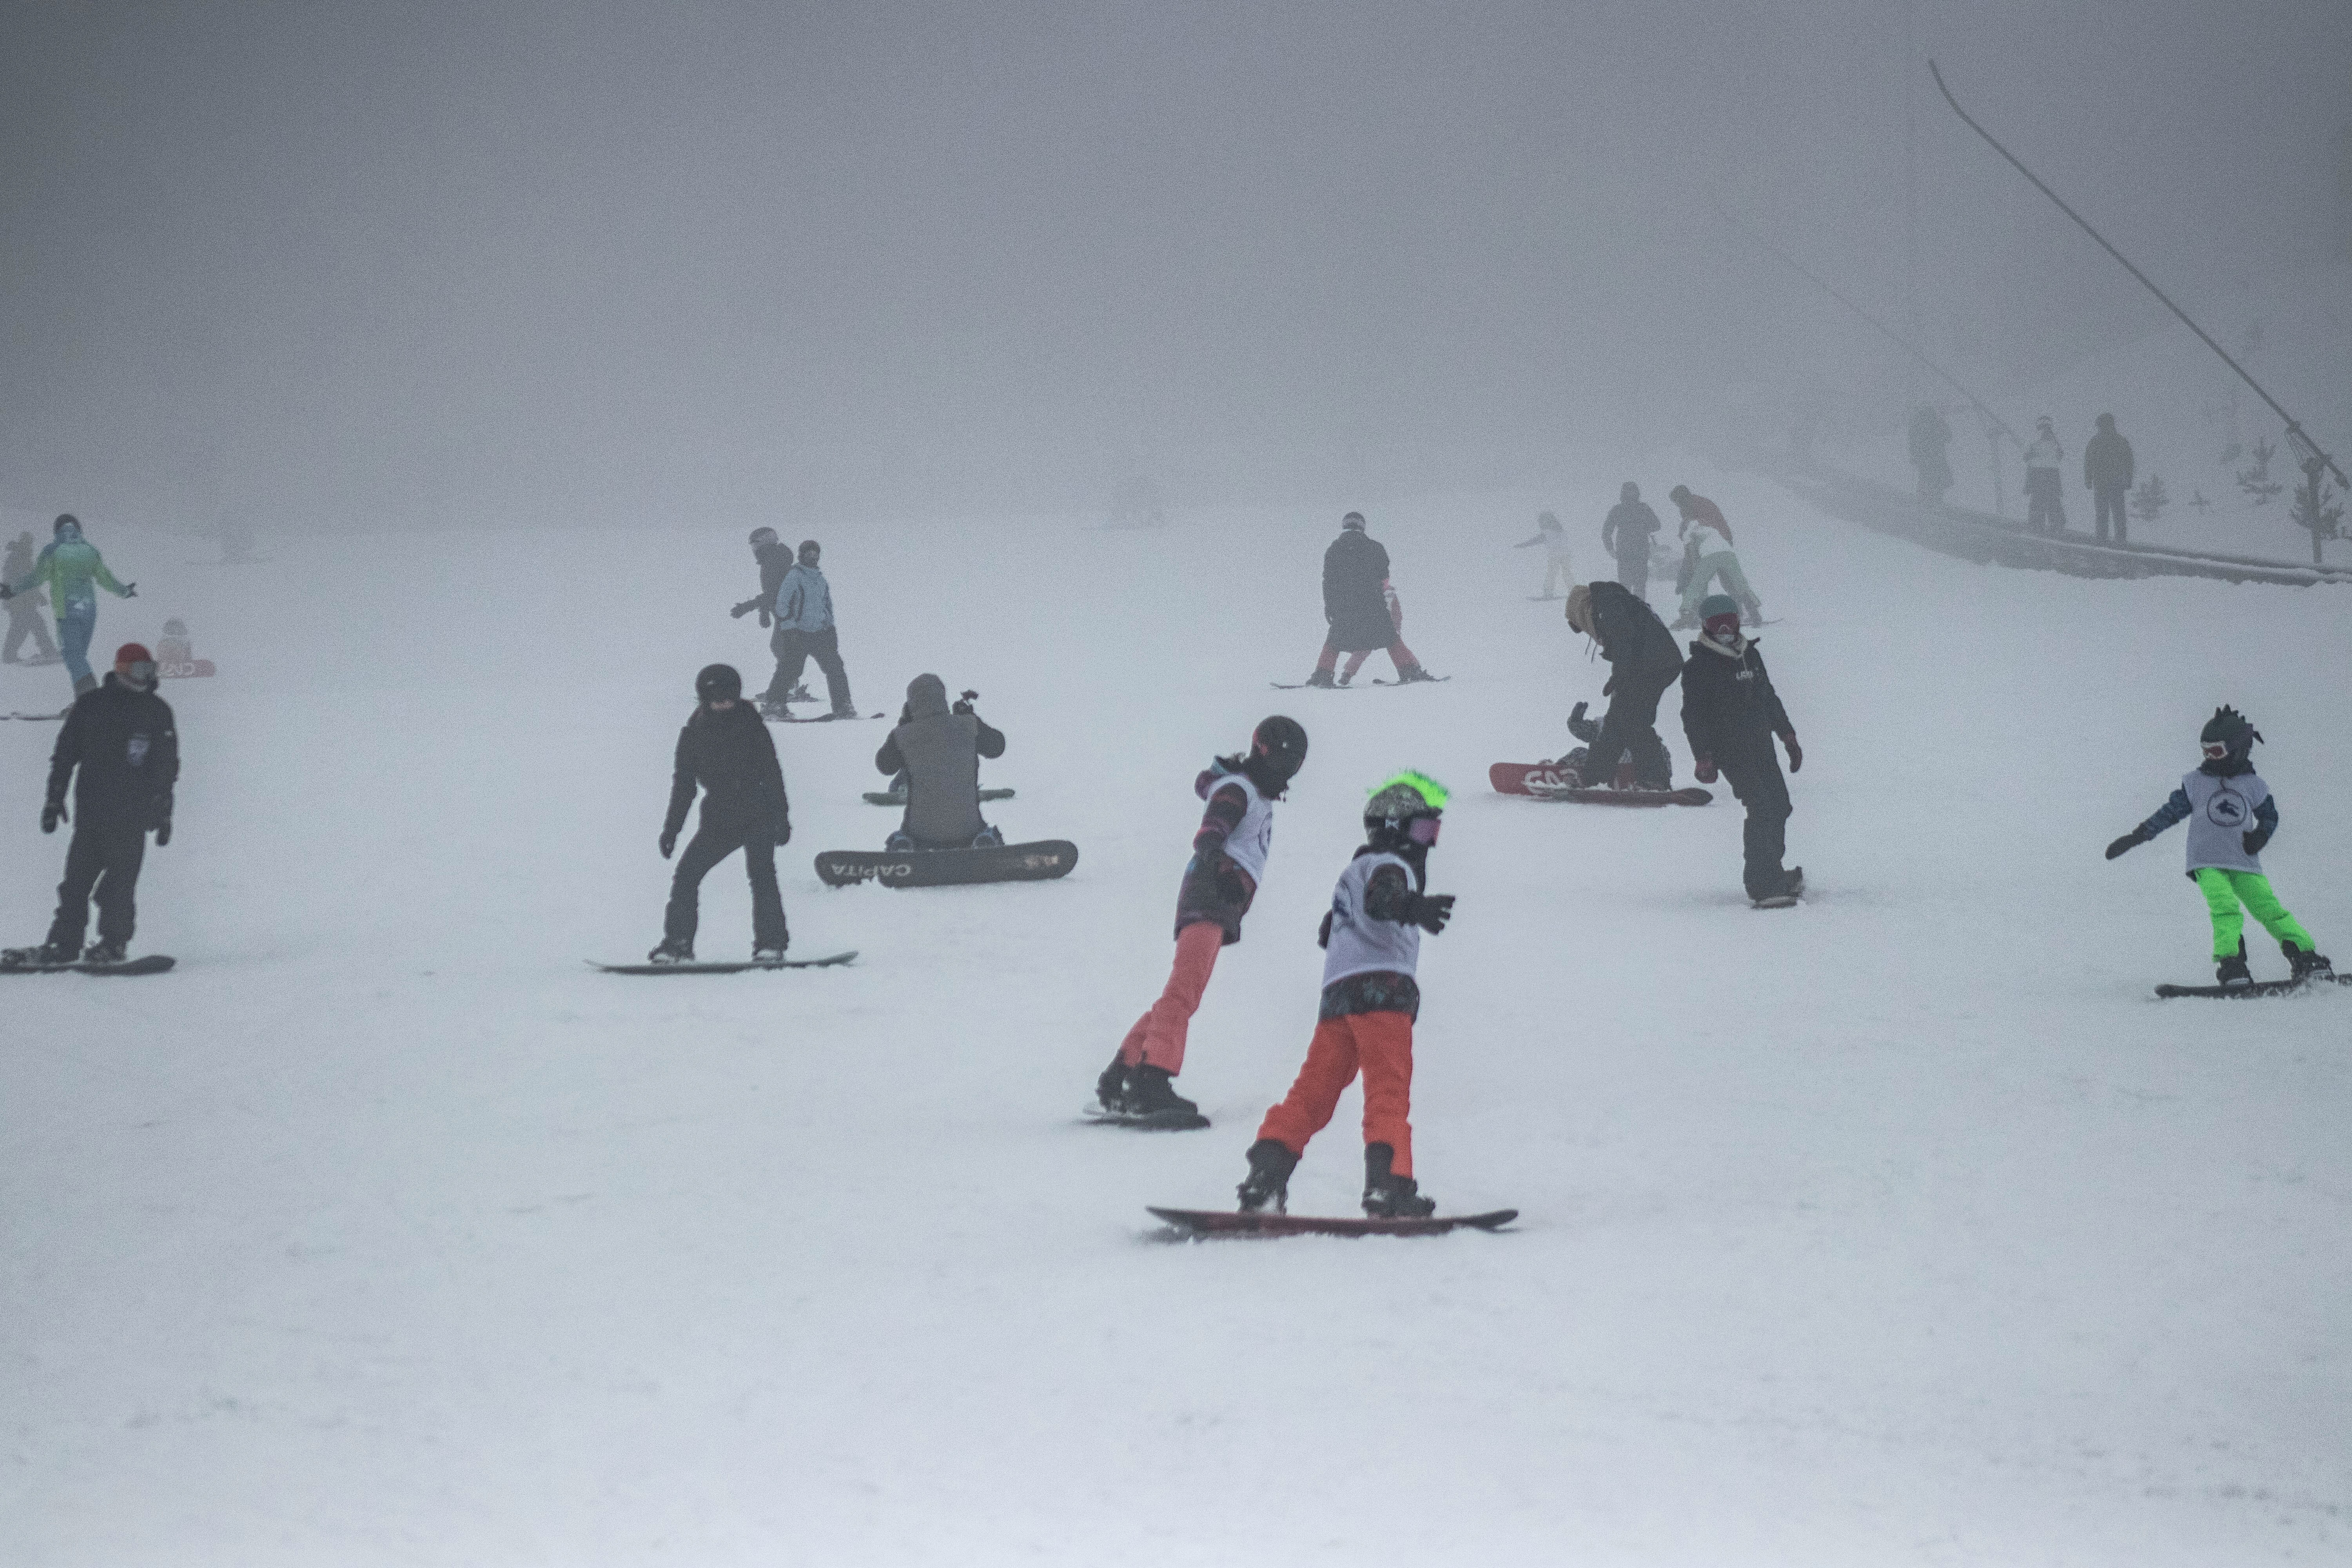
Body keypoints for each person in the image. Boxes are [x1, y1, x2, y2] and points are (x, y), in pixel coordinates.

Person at [1236, 772, 1457, 1219]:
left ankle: (1266, 1177)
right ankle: (1389, 1185)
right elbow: (1382, 901)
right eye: (1421, 831)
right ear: (1394, 830)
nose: (1427, 843)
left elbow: (1329, 930)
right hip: (1384, 993)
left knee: (1313, 1093)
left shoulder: (1350, 874)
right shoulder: (1390, 867)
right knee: (1387, 1089)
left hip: (1339, 999)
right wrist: (1415, 908)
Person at [1096, 716, 1310, 1123]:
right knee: (1184, 992)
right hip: (1210, 893)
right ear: (1263, 751)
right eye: (1284, 762)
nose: (1288, 773)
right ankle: (1151, 1078)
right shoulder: (1238, 789)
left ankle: (1123, 1073)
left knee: (1182, 991)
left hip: (1219, 899)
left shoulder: (1255, 793)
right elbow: (1210, 834)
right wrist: (1225, 874)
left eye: (1295, 765)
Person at [2105, 706, 2330, 988]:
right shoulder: (2196, 784)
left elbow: (2270, 816)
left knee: (2270, 908)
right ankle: (2232, 963)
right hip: (2207, 861)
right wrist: (2138, 835)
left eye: (2217, 751)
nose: (2210, 758)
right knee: (2224, 907)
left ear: (2237, 750)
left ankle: (2305, 957)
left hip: (2244, 861)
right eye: (2206, 751)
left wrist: (2261, 835)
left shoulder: (2253, 786)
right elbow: (2170, 813)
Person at [4, 644, 178, 967]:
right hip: (93, 815)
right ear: (123, 670)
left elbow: (166, 766)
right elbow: (65, 753)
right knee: (75, 885)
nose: (148, 677)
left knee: (120, 887)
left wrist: (164, 808)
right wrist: (54, 798)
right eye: (140, 669)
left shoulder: (156, 711)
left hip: (132, 817)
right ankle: (64, 943)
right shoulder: (93, 706)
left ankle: (113, 944)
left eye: (151, 669)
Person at [650, 664, 792, 964]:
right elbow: (684, 786)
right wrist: (671, 830)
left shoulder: (753, 728)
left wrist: (782, 817)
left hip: (759, 813)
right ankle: (677, 945)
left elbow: (772, 773)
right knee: (687, 876)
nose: (724, 705)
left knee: (762, 877)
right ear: (705, 700)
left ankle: (771, 945)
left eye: (729, 699)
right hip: (720, 818)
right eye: (717, 700)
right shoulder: (693, 735)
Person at [1679, 594, 1805, 904]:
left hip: (1761, 744)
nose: (1724, 626)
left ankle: (1773, 873)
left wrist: (1787, 735)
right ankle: (1764, 886)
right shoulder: (1699, 667)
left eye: (1730, 619)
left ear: (1738, 620)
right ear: (1705, 626)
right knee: (1762, 806)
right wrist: (1703, 757)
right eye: (1715, 621)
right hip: (1730, 751)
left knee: (1780, 805)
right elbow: (1692, 716)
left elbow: (1768, 697)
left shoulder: (1751, 656)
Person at [1562, 580, 1683, 790]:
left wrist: (1619, 677)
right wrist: (1618, 677)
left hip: (1651, 665)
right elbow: (1628, 643)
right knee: (1625, 722)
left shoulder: (1608, 608)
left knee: (1627, 721)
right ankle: (1599, 776)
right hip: (1657, 664)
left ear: (1582, 612)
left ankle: (1649, 778)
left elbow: (1625, 644)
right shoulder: (1616, 603)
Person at [0, 515, 135, 697]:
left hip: (68, 609)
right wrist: (124, 591)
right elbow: (106, 579)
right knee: (79, 657)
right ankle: (84, 700)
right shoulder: (90, 551)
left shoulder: (53, 551)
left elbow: (36, 577)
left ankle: (91, 701)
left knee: (73, 657)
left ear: (57, 531)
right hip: (89, 610)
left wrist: (13, 591)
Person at [1301, 512, 1436, 688]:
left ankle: (1323, 676)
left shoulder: (1334, 549)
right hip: (1372, 605)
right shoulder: (1375, 548)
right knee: (1391, 639)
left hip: (1344, 606)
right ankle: (1410, 671)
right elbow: (1384, 580)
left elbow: (1329, 582)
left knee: (1334, 642)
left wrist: (1330, 607)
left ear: (1344, 526)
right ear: (1362, 527)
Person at [875, 674, 1005, 850]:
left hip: (920, 835)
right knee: (984, 832)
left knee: (904, 836)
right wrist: (971, 717)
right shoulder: (969, 725)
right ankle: (984, 841)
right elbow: (997, 747)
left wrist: (903, 725)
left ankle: (903, 846)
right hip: (969, 831)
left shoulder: (902, 735)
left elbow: (885, 766)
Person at [769, 540, 856, 719]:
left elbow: (827, 605)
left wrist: (831, 628)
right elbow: (782, 603)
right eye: (808, 553)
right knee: (791, 668)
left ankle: (843, 706)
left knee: (835, 668)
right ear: (801, 555)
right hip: (798, 633)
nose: (813, 557)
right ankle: (774, 704)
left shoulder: (820, 578)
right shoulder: (795, 575)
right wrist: (789, 628)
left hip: (821, 633)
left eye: (815, 553)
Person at [730, 526, 809, 708]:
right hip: (786, 612)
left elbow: (775, 592)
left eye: (755, 545)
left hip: (792, 613)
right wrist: (764, 612)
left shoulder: (775, 562)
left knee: (783, 649)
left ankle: (786, 689)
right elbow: (771, 592)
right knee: (781, 648)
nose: (754, 550)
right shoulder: (771, 561)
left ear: (766, 542)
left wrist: (748, 607)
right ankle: (789, 686)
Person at [1668, 485, 1761, 629]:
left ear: (1681, 498)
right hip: (1721, 545)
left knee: (1702, 583)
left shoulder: (1697, 508)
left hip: (1715, 546)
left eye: (1677, 502)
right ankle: (1748, 614)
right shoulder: (1692, 506)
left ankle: (1692, 616)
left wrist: (1687, 569)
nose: (1677, 505)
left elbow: (1708, 527)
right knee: (1732, 581)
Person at [2, 531, 58, 663]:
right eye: (28, 542)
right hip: (19, 602)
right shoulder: (18, 558)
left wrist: (39, 596)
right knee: (35, 625)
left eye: (30, 542)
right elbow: (18, 581)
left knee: (23, 627)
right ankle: (48, 652)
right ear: (23, 543)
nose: (30, 545)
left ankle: (9, 656)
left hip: (22, 602)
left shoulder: (23, 558)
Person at [1601, 483, 1662, 600]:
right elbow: (1657, 525)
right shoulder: (1643, 508)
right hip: (1640, 552)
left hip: (1625, 553)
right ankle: (1640, 613)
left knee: (1626, 587)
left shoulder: (1617, 510)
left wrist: (1611, 550)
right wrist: (1643, 526)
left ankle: (1627, 614)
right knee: (1639, 587)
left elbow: (1606, 533)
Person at [1337, 580, 1402, 686]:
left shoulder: (1391, 596)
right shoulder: (1369, 592)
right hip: (1371, 628)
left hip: (1388, 629)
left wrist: (1397, 629)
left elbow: (1397, 614)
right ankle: (1347, 675)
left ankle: (1406, 670)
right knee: (1362, 651)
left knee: (1397, 649)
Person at [2084, 413, 2135, 544]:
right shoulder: (2121, 440)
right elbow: (2129, 462)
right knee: (2118, 511)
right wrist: (2129, 479)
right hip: (2116, 481)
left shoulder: (2096, 441)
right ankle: (2120, 539)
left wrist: (2088, 479)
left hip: (2102, 481)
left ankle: (2102, 538)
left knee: (2103, 512)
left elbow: (2089, 461)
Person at [1513, 511, 1574, 599]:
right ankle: (1574, 592)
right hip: (1566, 555)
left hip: (1555, 556)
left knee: (1552, 574)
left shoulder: (1547, 533)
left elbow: (1534, 541)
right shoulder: (1560, 531)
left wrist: (1522, 545)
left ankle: (1549, 593)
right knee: (1567, 574)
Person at [2024, 417, 2066, 534]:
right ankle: (2056, 526)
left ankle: (2037, 526)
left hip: (2037, 475)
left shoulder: (2034, 440)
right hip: (2052, 475)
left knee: (2037, 501)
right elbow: (2060, 456)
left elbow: (2026, 457)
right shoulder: (2055, 441)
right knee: (2053, 501)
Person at [1908, 405, 1955, 504]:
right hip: (1930, 459)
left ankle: (1932, 503)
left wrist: (1914, 457)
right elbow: (1948, 437)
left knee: (1934, 481)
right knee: (1931, 481)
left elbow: (1948, 437)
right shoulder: (1921, 425)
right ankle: (1930, 503)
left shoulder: (1927, 425)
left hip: (1934, 458)